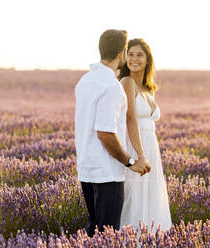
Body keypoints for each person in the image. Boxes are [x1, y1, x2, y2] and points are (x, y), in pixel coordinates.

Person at [74, 30, 151, 237]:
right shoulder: (111, 87)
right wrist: (129, 161)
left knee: (94, 230)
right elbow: (105, 133)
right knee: (108, 234)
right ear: (122, 54)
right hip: (107, 172)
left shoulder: (85, 81)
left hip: (87, 167)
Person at [119, 38, 172, 231]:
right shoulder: (126, 82)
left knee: (150, 197)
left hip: (151, 146)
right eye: (130, 54)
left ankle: (151, 238)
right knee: (133, 198)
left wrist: (147, 153)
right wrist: (140, 155)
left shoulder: (148, 90)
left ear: (148, 59)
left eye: (139, 55)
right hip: (135, 145)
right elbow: (129, 119)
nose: (134, 59)